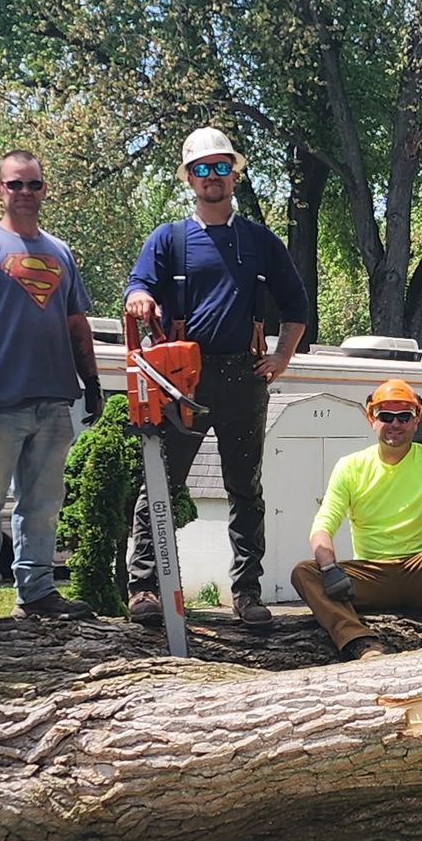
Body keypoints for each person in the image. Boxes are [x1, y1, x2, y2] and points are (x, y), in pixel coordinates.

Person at [123, 126, 309, 632]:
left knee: (244, 487)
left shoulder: (258, 240)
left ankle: (245, 592)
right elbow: (137, 285)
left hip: (243, 376)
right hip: (182, 378)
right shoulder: (169, 239)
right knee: (161, 481)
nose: (212, 177)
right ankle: (144, 586)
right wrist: (139, 298)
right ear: (188, 178)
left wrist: (282, 357)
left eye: (220, 167)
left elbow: (297, 306)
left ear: (234, 173)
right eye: (201, 169)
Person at [0, 149, 101, 638]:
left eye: (33, 185)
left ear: (44, 190)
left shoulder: (61, 252)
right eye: (15, 185)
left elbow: (77, 323)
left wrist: (91, 381)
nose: (25, 193)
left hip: (55, 399)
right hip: (0, 401)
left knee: (43, 502)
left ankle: (36, 593)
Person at [291, 379, 422, 674]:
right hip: (372, 574)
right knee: (304, 572)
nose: (395, 424)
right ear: (371, 418)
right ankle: (361, 645)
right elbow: (323, 524)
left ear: (417, 417)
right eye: (386, 416)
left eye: (404, 416)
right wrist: (328, 567)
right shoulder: (350, 466)